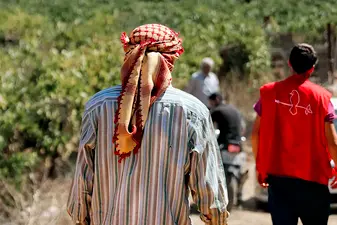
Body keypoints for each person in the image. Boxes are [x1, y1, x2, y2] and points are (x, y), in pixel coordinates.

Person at [67, 24, 228, 225]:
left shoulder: (98, 106)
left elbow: (83, 180)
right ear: (170, 60)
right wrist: (215, 218)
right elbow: (208, 191)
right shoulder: (192, 112)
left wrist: (81, 217)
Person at [251, 43, 337, 225]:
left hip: (280, 181)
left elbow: (255, 134)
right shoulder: (322, 98)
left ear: (289, 64)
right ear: (312, 68)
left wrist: (261, 166)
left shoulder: (269, 93)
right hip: (314, 182)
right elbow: (332, 142)